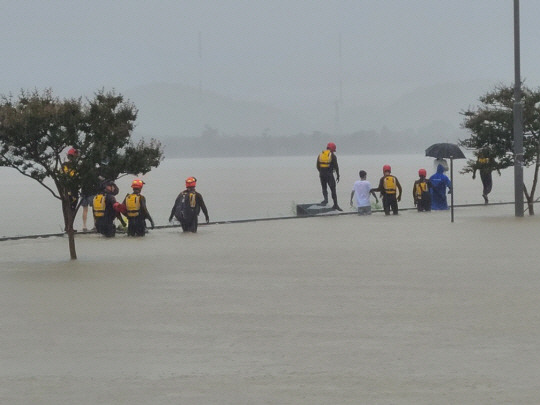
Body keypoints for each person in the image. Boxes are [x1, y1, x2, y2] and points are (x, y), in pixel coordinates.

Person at [316, 142, 342, 211]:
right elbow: (336, 167)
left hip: (322, 175)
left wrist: (321, 172)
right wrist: (338, 175)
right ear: (333, 149)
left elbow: (317, 166)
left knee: (324, 188)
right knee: (333, 189)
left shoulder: (320, 155)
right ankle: (335, 205)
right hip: (329, 175)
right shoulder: (333, 156)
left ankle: (325, 200)